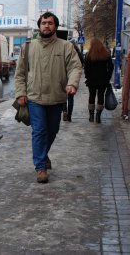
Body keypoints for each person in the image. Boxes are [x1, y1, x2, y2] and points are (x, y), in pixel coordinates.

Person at [14, 12, 82, 183]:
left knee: (52, 130)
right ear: (39, 26)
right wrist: (21, 93)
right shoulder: (28, 47)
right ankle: (40, 167)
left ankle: (42, 155)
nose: (46, 26)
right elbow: (20, 73)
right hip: (34, 98)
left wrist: (72, 83)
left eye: (50, 23)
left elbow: (75, 67)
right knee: (39, 131)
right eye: (43, 23)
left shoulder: (66, 46)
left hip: (57, 97)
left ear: (55, 26)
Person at [84, 38, 114, 123]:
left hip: (92, 80)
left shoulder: (89, 55)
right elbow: (111, 66)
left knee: (91, 96)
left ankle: (91, 116)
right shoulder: (106, 54)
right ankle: (98, 116)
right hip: (103, 80)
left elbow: (86, 68)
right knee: (101, 96)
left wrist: (87, 76)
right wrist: (108, 76)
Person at [62, 39, 84, 122]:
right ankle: (69, 116)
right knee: (70, 97)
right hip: (72, 76)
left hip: (64, 76)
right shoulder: (77, 52)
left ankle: (64, 111)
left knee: (64, 96)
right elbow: (81, 63)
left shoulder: (64, 51)